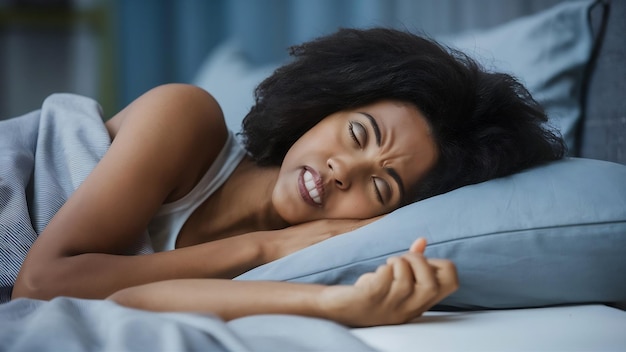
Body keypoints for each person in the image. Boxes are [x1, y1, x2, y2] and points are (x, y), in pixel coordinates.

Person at [9, 28, 564, 327]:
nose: (343, 170)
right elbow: (42, 285)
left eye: (380, 186)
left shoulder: (309, 267)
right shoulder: (185, 117)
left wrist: (339, 307)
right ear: (325, 104)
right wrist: (265, 244)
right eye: (356, 134)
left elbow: (128, 297)